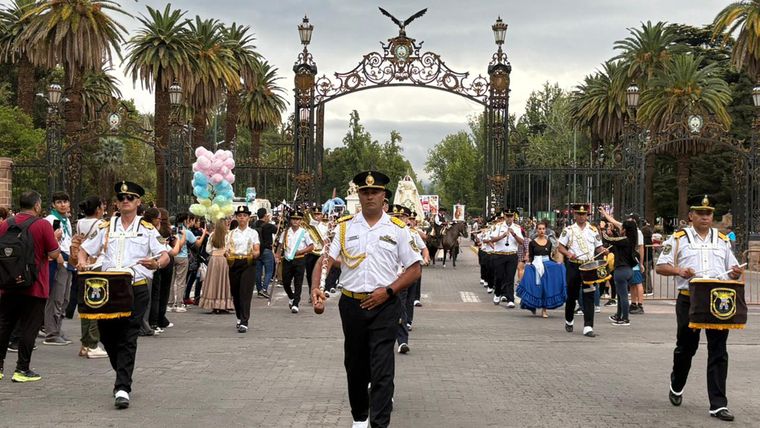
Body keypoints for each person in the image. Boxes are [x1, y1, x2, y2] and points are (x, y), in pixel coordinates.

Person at [311, 170, 422, 428]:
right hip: (352, 304)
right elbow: (325, 259)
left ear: (384, 196)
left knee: (383, 366)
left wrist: (390, 291)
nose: (369, 196)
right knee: (355, 364)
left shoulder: (398, 229)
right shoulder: (343, 227)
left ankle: (379, 423)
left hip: (385, 303)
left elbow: (415, 268)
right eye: (365, 192)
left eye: (375, 192)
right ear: (358, 195)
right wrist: (316, 288)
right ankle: (360, 417)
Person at [77, 181, 170, 409]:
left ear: (138, 202)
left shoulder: (147, 228)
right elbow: (84, 249)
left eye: (130, 198)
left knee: (129, 336)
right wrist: (81, 262)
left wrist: (156, 263)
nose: (125, 201)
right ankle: (122, 372)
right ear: (117, 203)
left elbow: (165, 254)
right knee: (108, 335)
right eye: (121, 198)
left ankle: (122, 387)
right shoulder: (105, 226)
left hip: (135, 286)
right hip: (108, 288)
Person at [656, 195, 743, 422]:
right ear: (690, 215)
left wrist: (735, 272)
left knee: (718, 350)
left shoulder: (722, 239)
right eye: (700, 213)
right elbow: (661, 266)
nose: (705, 217)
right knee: (686, 347)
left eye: (709, 213)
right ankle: (677, 383)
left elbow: (732, 267)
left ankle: (718, 404)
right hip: (689, 299)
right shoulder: (678, 238)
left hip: (717, 299)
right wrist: (679, 271)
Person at [0, 191, 60, 382]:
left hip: (8, 283)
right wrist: (56, 237)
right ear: (36, 206)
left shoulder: (5, 224)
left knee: (4, 326)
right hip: (35, 285)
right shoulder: (43, 225)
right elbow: (53, 253)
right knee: (29, 327)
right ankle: (22, 369)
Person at [557, 203, 605, 338]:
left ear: (587, 215)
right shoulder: (569, 230)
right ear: (575, 215)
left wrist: (604, 251)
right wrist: (568, 254)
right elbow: (560, 246)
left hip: (589, 266)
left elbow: (599, 247)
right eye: (579, 214)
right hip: (573, 265)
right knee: (572, 295)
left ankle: (588, 326)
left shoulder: (593, 230)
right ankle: (569, 319)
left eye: (584, 214)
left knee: (589, 295)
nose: (581, 216)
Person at [73, 196, 109, 357]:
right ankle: (93, 343)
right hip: (95, 265)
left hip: (81, 266)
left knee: (85, 305)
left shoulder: (80, 223)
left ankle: (85, 343)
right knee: (96, 303)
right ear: (98, 209)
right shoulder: (101, 224)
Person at [42, 191, 74, 346]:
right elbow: (47, 242)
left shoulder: (66, 220)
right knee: (56, 296)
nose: (62, 205)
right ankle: (51, 332)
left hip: (68, 258)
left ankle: (58, 329)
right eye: (59, 202)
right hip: (57, 259)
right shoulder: (50, 220)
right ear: (53, 204)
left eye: (65, 202)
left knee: (65, 297)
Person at [517, 221, 565, 318]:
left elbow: (550, 257)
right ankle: (532, 305)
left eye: (543, 229)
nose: (541, 231)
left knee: (546, 288)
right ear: (536, 230)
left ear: (545, 230)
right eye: (539, 229)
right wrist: (528, 263)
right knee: (534, 286)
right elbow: (531, 256)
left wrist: (557, 263)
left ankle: (544, 310)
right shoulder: (532, 243)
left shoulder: (549, 242)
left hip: (547, 266)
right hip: (536, 264)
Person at [599, 207, 638, 326]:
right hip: (628, 270)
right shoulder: (630, 239)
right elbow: (616, 239)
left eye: (622, 228)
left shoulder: (624, 240)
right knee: (621, 296)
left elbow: (608, 239)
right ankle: (619, 315)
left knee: (623, 296)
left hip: (621, 270)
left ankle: (625, 318)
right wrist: (606, 215)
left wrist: (603, 229)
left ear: (625, 230)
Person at [227, 206, 260, 332]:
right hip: (234, 263)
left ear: (248, 218)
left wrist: (255, 254)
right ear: (236, 217)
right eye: (240, 215)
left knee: (245, 292)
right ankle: (239, 317)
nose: (242, 218)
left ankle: (244, 320)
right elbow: (227, 248)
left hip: (248, 262)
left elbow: (257, 249)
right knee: (235, 293)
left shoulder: (253, 233)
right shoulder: (231, 234)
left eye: (245, 215)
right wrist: (226, 254)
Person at [482, 209, 523, 307]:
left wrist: (514, 234)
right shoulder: (498, 226)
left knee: (510, 277)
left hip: (512, 255)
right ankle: (497, 293)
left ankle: (510, 299)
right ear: (504, 216)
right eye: (507, 216)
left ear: (513, 217)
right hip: (499, 255)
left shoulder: (517, 227)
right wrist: (503, 235)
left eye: (511, 216)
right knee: (499, 276)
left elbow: (521, 242)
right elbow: (492, 239)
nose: (509, 218)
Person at [275, 211, 314, 314]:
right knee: (286, 282)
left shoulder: (304, 232)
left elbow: (311, 246)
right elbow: (280, 245)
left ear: (300, 221)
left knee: (298, 282)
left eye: (297, 219)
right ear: (290, 220)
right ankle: (291, 297)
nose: (295, 221)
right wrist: (277, 255)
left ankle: (296, 303)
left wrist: (301, 251)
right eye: (293, 219)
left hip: (300, 259)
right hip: (288, 259)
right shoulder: (285, 232)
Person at [199, 219, 235, 313]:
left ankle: (214, 305)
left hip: (214, 259)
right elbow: (230, 248)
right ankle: (222, 305)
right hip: (223, 259)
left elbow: (208, 249)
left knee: (213, 282)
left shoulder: (212, 235)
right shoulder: (228, 235)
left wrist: (214, 253)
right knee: (223, 281)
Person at [253, 208, 277, 298]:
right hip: (267, 250)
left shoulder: (253, 225)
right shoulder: (268, 225)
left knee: (258, 272)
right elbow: (277, 230)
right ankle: (264, 289)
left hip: (257, 249)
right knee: (269, 271)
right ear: (265, 215)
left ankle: (259, 290)